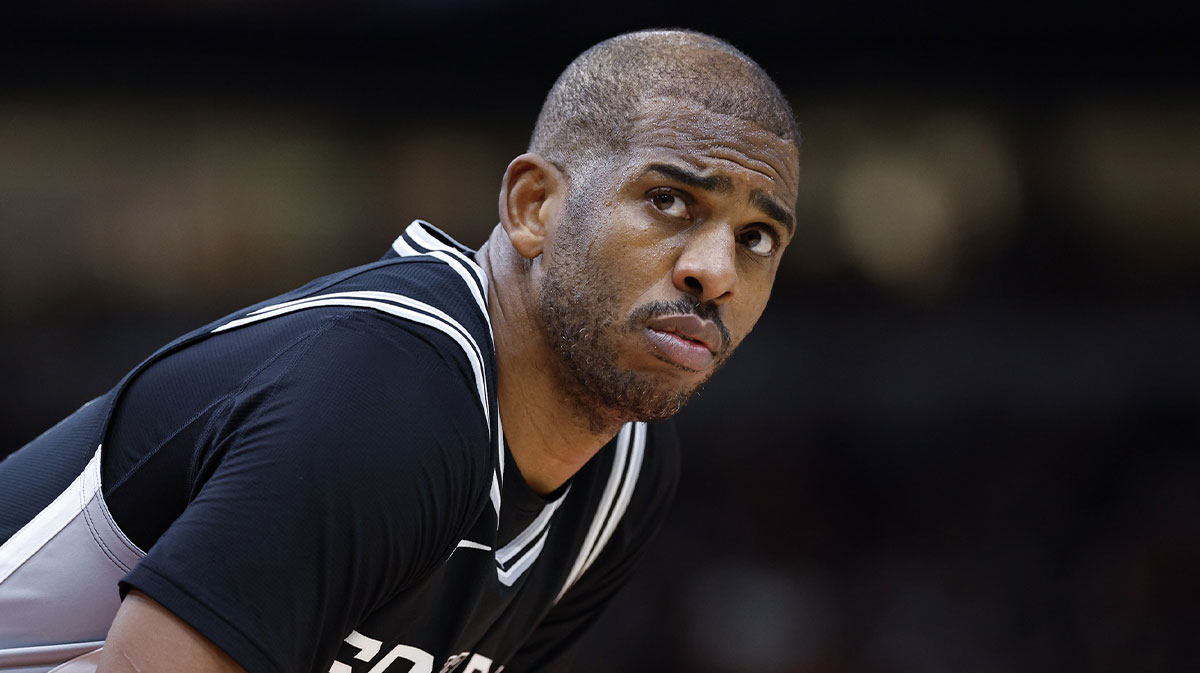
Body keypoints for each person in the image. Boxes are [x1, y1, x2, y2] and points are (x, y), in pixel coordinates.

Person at [0, 28, 800, 673]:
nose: (714, 272)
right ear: (533, 208)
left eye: (757, 237)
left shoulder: (623, 473)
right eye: (668, 200)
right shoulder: (387, 396)